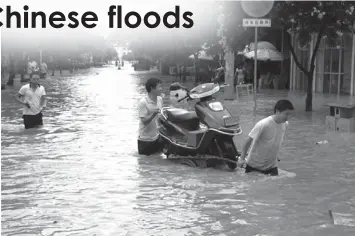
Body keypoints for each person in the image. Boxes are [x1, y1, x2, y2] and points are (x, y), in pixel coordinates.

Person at [238, 99, 295, 176]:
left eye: (290, 114)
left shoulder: (284, 124)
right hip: (254, 166)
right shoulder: (263, 124)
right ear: (278, 111)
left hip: (271, 166)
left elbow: (274, 140)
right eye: (286, 114)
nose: (288, 117)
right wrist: (241, 159)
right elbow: (248, 140)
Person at [137, 78, 164, 155]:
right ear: (152, 88)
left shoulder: (160, 99)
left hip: (157, 137)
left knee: (157, 161)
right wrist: (153, 114)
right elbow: (144, 121)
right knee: (145, 164)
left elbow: (160, 117)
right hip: (144, 140)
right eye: (159, 87)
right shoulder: (143, 102)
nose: (161, 89)